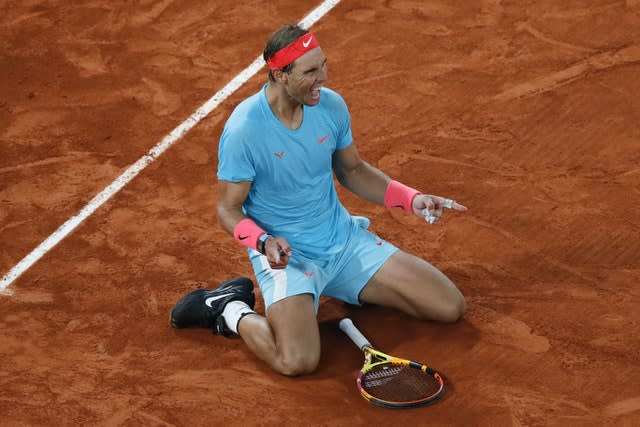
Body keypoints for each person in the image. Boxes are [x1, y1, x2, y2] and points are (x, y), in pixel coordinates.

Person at [170, 24, 467, 376]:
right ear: (280, 75)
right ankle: (229, 309)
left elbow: (353, 171)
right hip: (288, 259)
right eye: (310, 71)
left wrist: (411, 199)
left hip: (343, 243)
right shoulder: (244, 130)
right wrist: (263, 242)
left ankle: (341, 285)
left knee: (450, 306)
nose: (323, 77)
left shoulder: (331, 107)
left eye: (323, 65)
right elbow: (227, 209)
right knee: (296, 361)